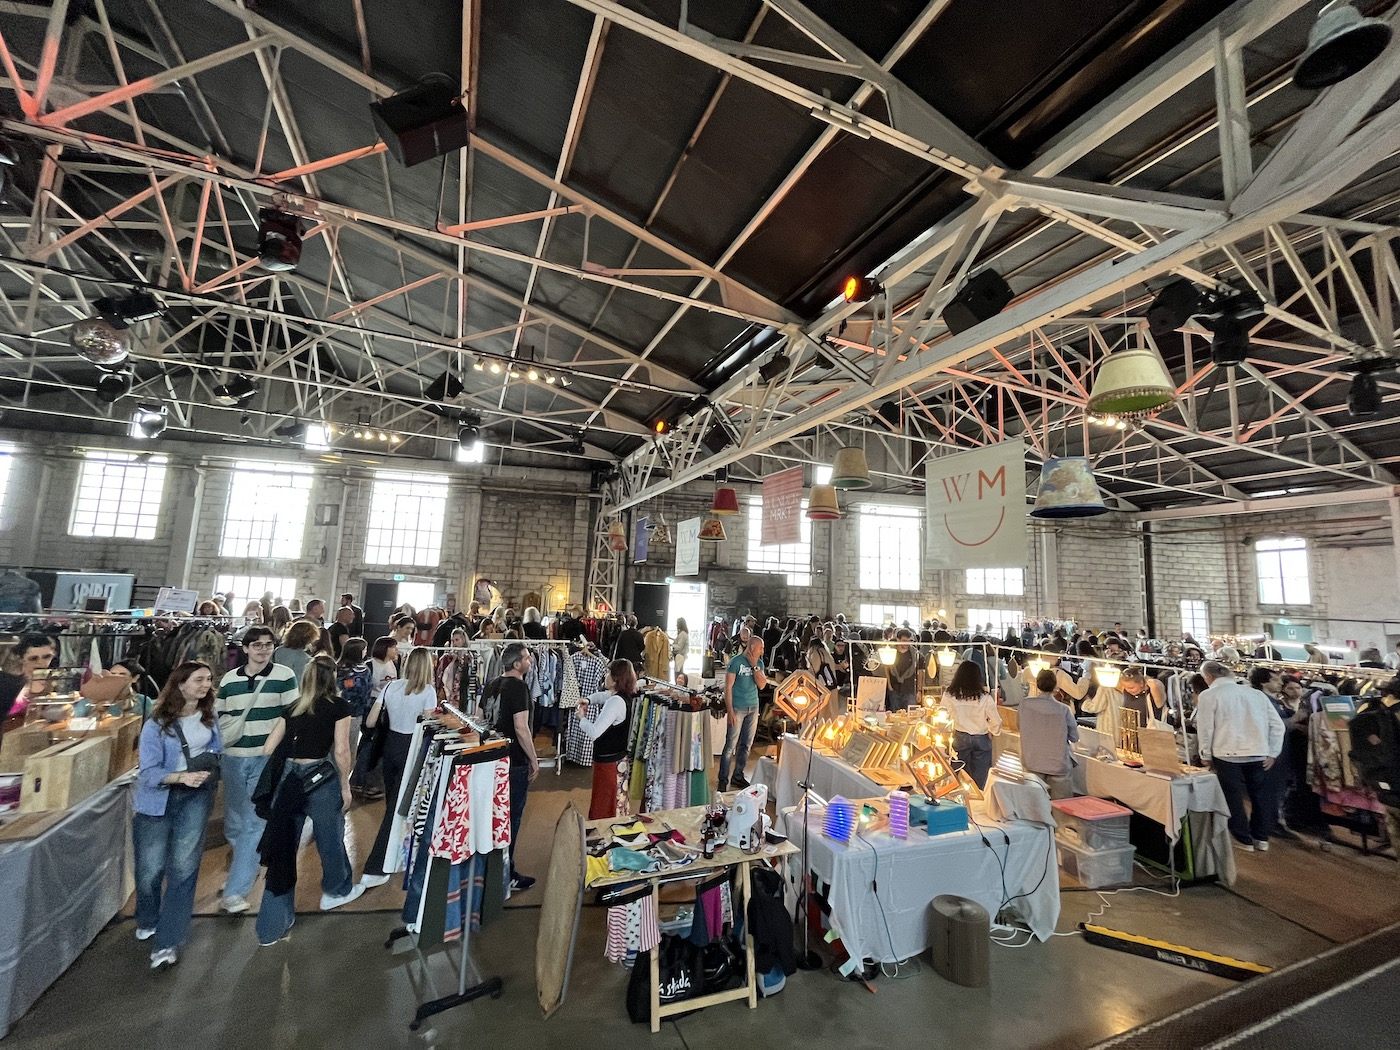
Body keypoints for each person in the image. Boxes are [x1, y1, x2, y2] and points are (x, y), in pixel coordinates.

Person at [256, 656, 363, 944]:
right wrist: (345, 785)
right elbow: (341, 751)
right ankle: (336, 891)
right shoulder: (339, 707)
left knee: (282, 847)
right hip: (321, 779)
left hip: (289, 781)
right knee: (330, 837)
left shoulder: (293, 707)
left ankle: (272, 925)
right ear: (333, 677)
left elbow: (268, 748)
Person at [133, 661, 222, 969]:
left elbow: (217, 749)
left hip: (196, 796)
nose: (206, 685)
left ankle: (167, 941)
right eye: (199, 679)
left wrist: (207, 771)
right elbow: (147, 773)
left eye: (208, 679)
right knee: (149, 870)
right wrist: (180, 777)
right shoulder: (156, 724)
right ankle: (147, 917)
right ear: (181, 684)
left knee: (183, 868)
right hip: (157, 800)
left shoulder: (210, 717)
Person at [214, 626, 298, 914]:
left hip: (265, 759)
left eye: (268, 644)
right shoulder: (230, 679)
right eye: (257, 645)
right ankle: (241, 872)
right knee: (234, 823)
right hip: (232, 757)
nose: (263, 650)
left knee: (254, 822)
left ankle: (236, 890)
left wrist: (280, 751)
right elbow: (220, 716)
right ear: (246, 648)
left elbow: (292, 716)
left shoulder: (284, 676)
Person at [360, 648, 439, 886]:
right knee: (399, 806)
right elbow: (428, 726)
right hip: (411, 749)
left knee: (393, 803)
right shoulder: (428, 691)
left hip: (390, 746)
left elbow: (370, 722)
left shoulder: (390, 687)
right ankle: (377, 865)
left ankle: (395, 852)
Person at [1196, 660, 1286, 852]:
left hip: (1226, 753)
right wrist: (1272, 752)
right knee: (1260, 797)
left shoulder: (1209, 695)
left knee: (1233, 797)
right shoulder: (1256, 694)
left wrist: (1205, 753)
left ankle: (1243, 839)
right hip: (1258, 752)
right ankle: (1261, 838)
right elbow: (1277, 726)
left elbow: (1206, 728)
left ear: (1208, 677)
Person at [482, 642, 538, 891]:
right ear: (517, 663)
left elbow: (480, 719)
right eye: (527, 658)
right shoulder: (519, 687)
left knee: (492, 817)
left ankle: (490, 870)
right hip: (513, 761)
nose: (530, 661)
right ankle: (506, 874)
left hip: (490, 759)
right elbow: (521, 727)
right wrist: (533, 759)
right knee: (511, 818)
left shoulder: (492, 684)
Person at [577, 659, 640, 820]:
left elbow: (595, 732)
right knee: (615, 801)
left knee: (606, 806)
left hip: (609, 764)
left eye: (608, 673)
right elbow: (603, 696)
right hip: (616, 760)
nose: (605, 676)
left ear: (615, 678)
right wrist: (588, 700)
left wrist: (582, 718)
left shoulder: (615, 702)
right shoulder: (622, 696)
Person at [941, 660, 1002, 789]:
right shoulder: (985, 697)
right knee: (980, 778)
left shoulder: (950, 695)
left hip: (959, 736)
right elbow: (996, 721)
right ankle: (977, 799)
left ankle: (959, 798)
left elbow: (942, 715)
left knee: (958, 774)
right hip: (981, 737)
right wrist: (992, 731)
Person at [1019, 668, 1079, 799]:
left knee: (1035, 803)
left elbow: (1021, 727)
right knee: (1061, 806)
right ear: (1055, 686)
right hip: (1058, 764)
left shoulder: (1024, 705)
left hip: (1032, 761)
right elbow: (1074, 737)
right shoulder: (1064, 710)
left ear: (1037, 684)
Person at [720, 635, 767, 791]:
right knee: (730, 745)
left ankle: (738, 776)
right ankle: (723, 780)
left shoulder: (759, 663)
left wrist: (754, 666)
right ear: (752, 647)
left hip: (753, 707)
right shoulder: (735, 662)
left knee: (746, 744)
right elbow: (728, 688)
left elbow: (762, 685)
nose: (762, 651)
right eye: (760, 648)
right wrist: (730, 710)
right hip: (738, 707)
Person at [884, 629, 921, 711]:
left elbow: (919, 672)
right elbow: (886, 668)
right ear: (898, 639)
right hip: (894, 688)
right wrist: (889, 685)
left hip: (909, 689)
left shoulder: (915, 654)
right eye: (904, 640)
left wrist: (919, 690)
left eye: (909, 641)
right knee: (895, 714)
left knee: (911, 713)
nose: (907, 643)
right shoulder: (890, 652)